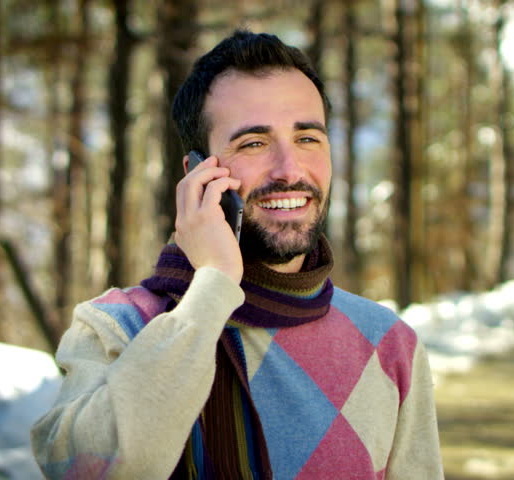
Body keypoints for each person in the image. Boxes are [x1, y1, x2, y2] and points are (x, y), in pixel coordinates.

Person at [30, 30, 444, 480]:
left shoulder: (389, 343)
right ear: (197, 174)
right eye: (253, 143)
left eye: (308, 138)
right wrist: (214, 285)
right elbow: (93, 472)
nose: (290, 169)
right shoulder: (115, 326)